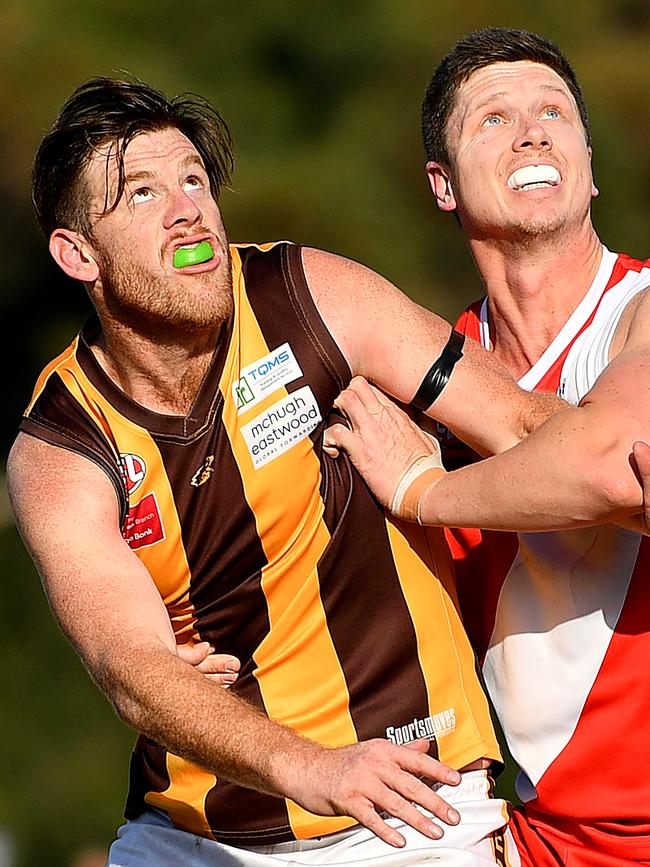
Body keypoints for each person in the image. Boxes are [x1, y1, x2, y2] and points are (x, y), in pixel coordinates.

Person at [6, 77, 565, 866]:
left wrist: (435, 488)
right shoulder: (62, 445)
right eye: (141, 194)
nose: (186, 208)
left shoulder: (308, 297)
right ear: (77, 254)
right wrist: (311, 767)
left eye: (194, 179)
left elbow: (523, 425)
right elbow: (129, 665)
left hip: (416, 809)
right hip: (192, 835)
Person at [325, 27, 650, 867]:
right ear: (442, 184)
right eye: (495, 119)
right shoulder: (427, 377)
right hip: (530, 840)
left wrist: (425, 491)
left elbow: (618, 462)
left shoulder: (641, 310)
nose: (533, 132)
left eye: (553, 113)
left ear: (589, 159)